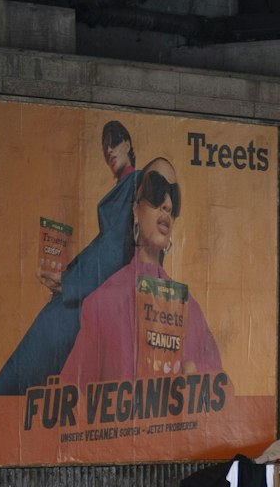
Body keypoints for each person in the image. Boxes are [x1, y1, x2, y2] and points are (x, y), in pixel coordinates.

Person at [0, 120, 139, 395]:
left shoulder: (134, 184)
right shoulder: (125, 188)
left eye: (115, 142)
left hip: (93, 296)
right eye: (105, 147)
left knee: (40, 347)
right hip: (90, 292)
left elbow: (114, 250)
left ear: (128, 144)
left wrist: (69, 282)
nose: (109, 151)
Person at [59, 158, 223, 385]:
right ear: (136, 210)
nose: (166, 204)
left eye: (173, 197)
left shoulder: (191, 311)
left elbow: (223, 389)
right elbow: (69, 395)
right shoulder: (101, 305)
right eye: (157, 190)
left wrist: (197, 376)